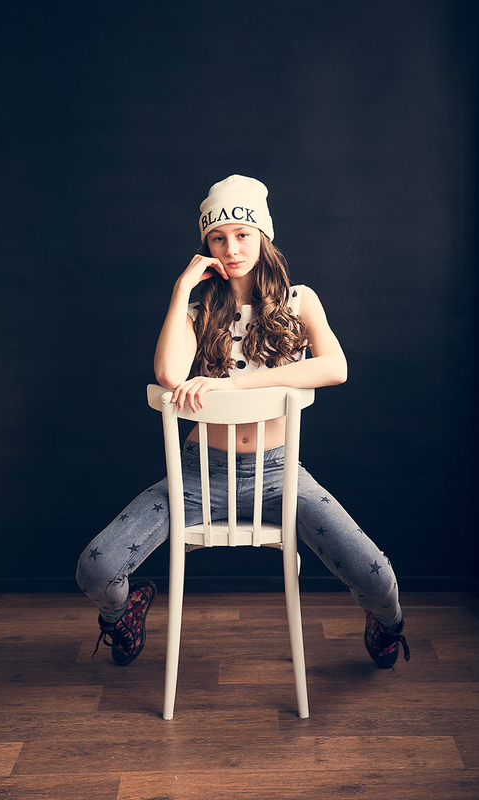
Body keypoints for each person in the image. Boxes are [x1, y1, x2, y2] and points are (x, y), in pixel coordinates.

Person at [76, 175, 410, 670]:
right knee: (96, 569)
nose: (231, 249)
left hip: (279, 473)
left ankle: (388, 624)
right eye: (217, 238)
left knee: (377, 576)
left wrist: (233, 386)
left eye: (242, 234)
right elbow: (168, 375)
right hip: (198, 475)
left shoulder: (300, 301)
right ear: (205, 246)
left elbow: (335, 368)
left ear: (263, 237)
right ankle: (123, 614)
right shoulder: (197, 311)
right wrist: (181, 289)